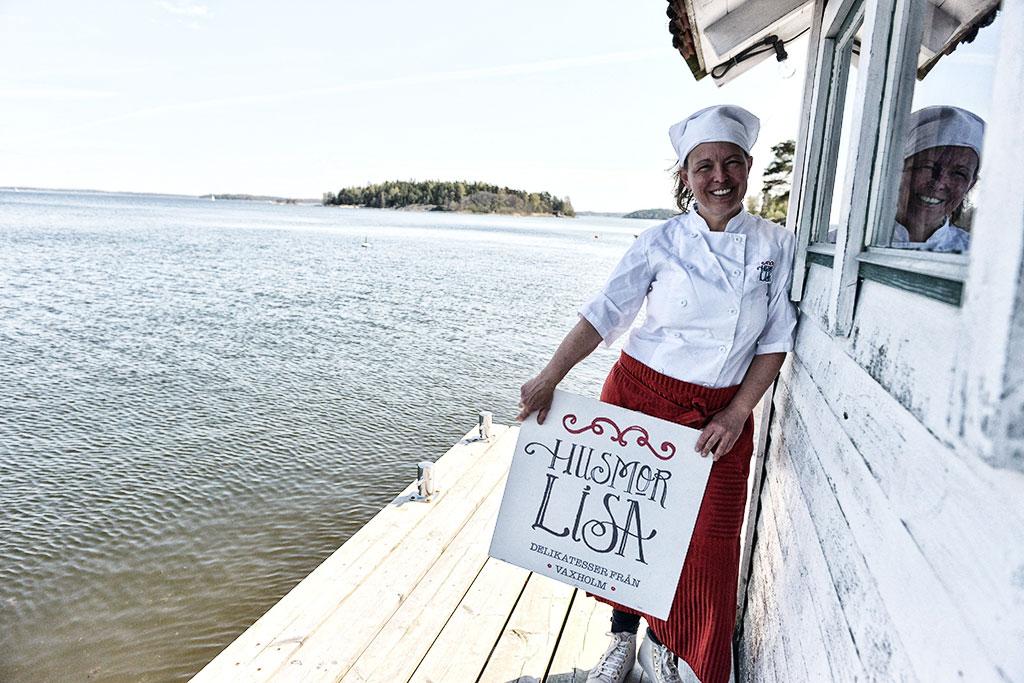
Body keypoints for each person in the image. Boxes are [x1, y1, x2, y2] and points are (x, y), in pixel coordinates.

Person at [517, 105, 798, 683]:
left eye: (730, 163)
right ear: (684, 178)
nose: (718, 177)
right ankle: (622, 642)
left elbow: (775, 338)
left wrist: (741, 410)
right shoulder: (660, 241)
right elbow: (605, 315)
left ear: (748, 168)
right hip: (641, 396)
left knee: (709, 545)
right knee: (626, 528)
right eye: (703, 167)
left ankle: (677, 657)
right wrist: (551, 376)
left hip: (721, 413)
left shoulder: (777, 244)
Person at [891, 105, 985, 252]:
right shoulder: (850, 241)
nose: (939, 183)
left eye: (959, 174)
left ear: (970, 185)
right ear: (898, 168)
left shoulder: (975, 256)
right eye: (927, 166)